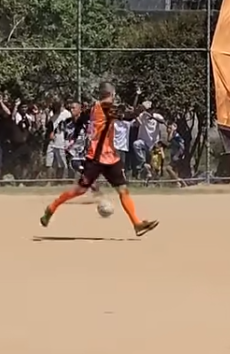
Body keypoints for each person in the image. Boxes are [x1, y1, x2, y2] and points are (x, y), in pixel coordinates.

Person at [39, 82, 159, 237]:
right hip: (96, 157)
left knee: (123, 189)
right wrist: (143, 106)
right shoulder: (105, 108)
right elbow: (128, 115)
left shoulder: (98, 107)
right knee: (80, 190)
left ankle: (136, 223)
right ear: (112, 94)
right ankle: (51, 208)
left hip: (110, 157)